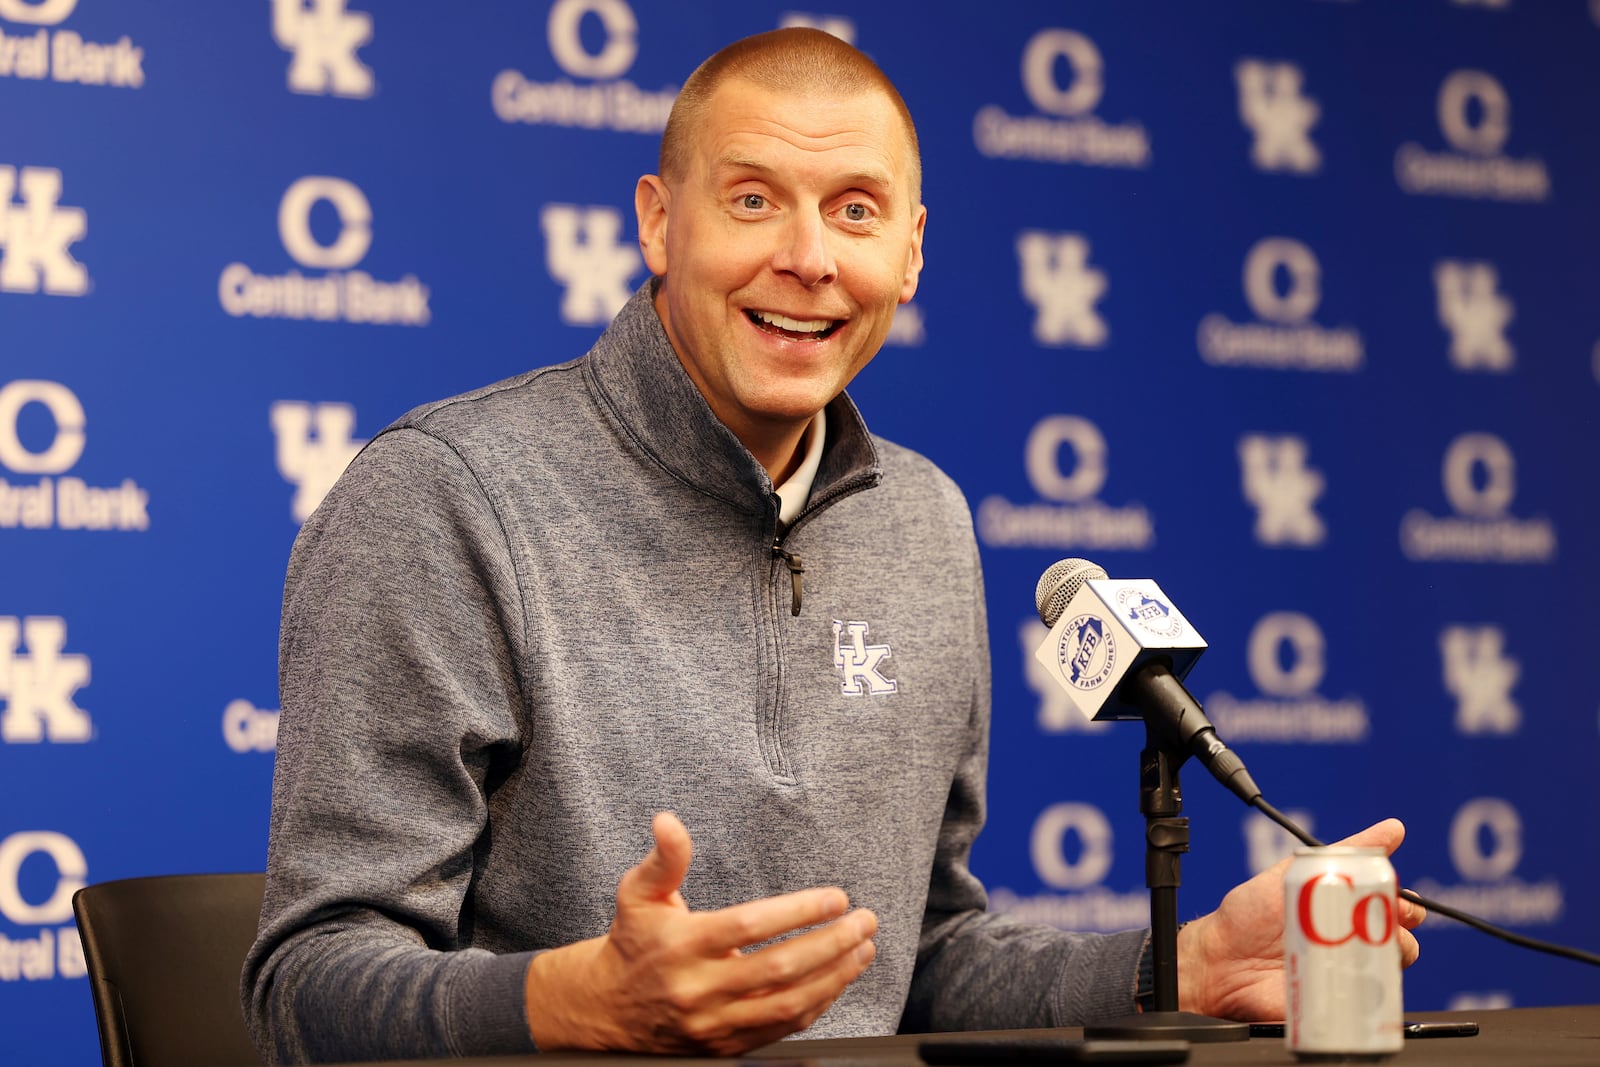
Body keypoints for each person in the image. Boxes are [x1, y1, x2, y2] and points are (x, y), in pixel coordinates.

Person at [242, 27, 1422, 1064]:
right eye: (752, 199)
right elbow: (305, 988)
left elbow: (927, 954)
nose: (807, 257)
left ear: (908, 253)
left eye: (854, 211)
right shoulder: (445, 496)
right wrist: (573, 1000)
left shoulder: (925, 518)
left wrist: (1179, 966)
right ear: (660, 221)